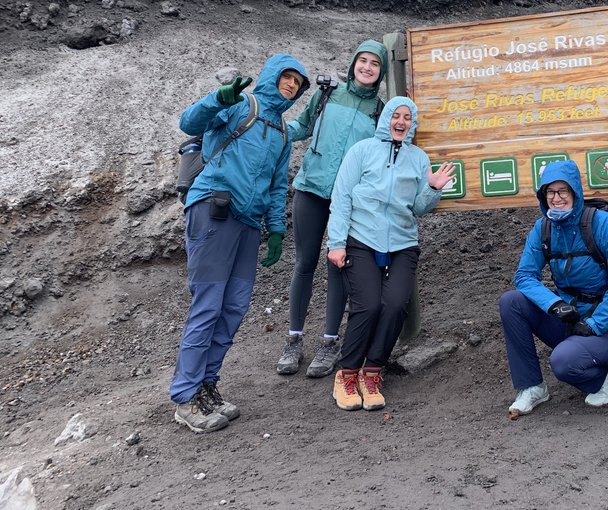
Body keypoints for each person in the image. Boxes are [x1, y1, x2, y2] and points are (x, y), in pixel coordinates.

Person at [170, 54, 309, 433]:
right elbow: (188, 123)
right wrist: (219, 98)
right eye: (287, 76)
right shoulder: (239, 105)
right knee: (208, 306)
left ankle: (206, 386)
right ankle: (185, 396)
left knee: (233, 309)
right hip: (214, 210)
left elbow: (278, 183)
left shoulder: (281, 128)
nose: (292, 84)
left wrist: (277, 228)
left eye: (298, 81)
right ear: (272, 75)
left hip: (248, 224)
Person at [325, 96, 455, 411]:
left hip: (402, 242)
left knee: (396, 305)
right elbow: (342, 196)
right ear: (386, 119)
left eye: (407, 117)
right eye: (396, 115)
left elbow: (419, 208)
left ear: (412, 124)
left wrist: (433, 188)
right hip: (361, 238)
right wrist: (336, 242)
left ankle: (372, 373)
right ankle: (347, 373)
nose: (401, 122)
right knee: (367, 306)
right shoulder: (362, 151)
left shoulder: (418, 158)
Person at [276, 40, 389, 378]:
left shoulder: (381, 111)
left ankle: (329, 343)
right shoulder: (327, 94)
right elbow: (301, 127)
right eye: (362, 60)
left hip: (350, 198)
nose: (367, 67)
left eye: (374, 64)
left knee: (338, 263)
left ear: (381, 71)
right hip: (311, 187)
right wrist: (271, 127)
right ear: (354, 62)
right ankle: (294, 339)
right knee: (305, 263)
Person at [499, 159, 608, 418]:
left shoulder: (603, 224)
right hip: (569, 320)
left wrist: (595, 324)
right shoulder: (543, 228)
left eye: (563, 191)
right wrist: (554, 304)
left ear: (575, 192)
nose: (556, 198)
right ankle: (532, 387)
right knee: (511, 302)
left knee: (563, 362)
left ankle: (601, 373)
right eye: (550, 192)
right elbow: (525, 275)